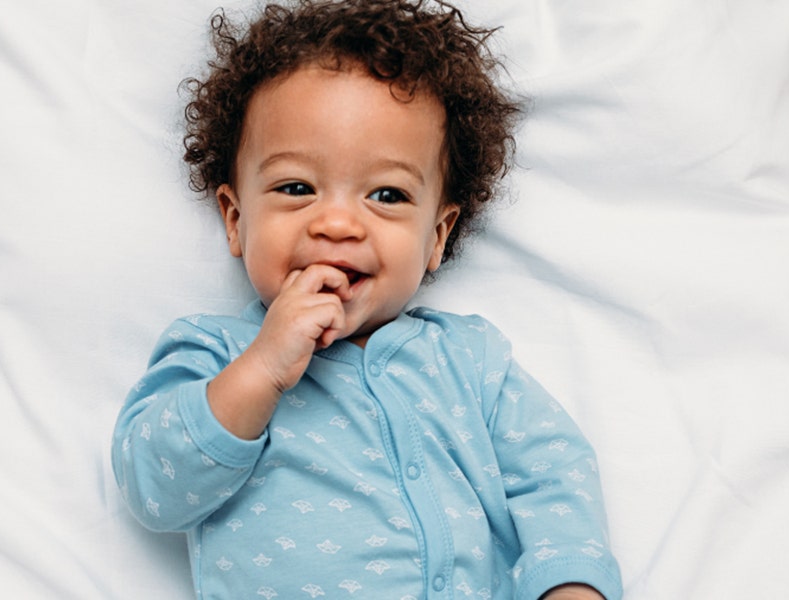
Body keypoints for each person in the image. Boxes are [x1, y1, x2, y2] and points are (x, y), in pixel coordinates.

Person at [111, 1, 623, 598]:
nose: (336, 223)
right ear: (234, 218)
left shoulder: (471, 361)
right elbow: (155, 489)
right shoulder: (216, 353)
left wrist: (569, 581)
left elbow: (553, 472)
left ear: (437, 237)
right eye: (297, 187)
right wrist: (264, 367)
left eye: (385, 194)